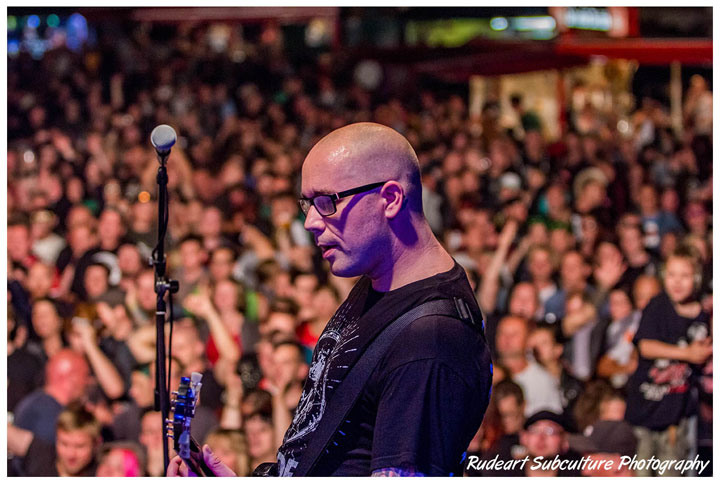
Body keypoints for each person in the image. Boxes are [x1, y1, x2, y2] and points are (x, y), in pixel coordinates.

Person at [169, 122, 492, 476]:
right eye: (307, 203)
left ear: (390, 199)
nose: (310, 221)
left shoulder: (431, 339)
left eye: (327, 202)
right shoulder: (381, 282)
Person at [624, 244, 712, 476]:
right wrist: (687, 354)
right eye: (672, 275)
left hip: (676, 416)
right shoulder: (657, 306)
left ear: (697, 277)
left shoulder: (705, 314)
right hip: (644, 411)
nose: (677, 282)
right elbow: (645, 347)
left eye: (685, 275)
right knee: (641, 472)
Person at [8, 404, 102, 477]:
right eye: (64, 444)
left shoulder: (102, 472)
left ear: (96, 444)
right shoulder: (42, 456)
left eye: (79, 446)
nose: (71, 454)